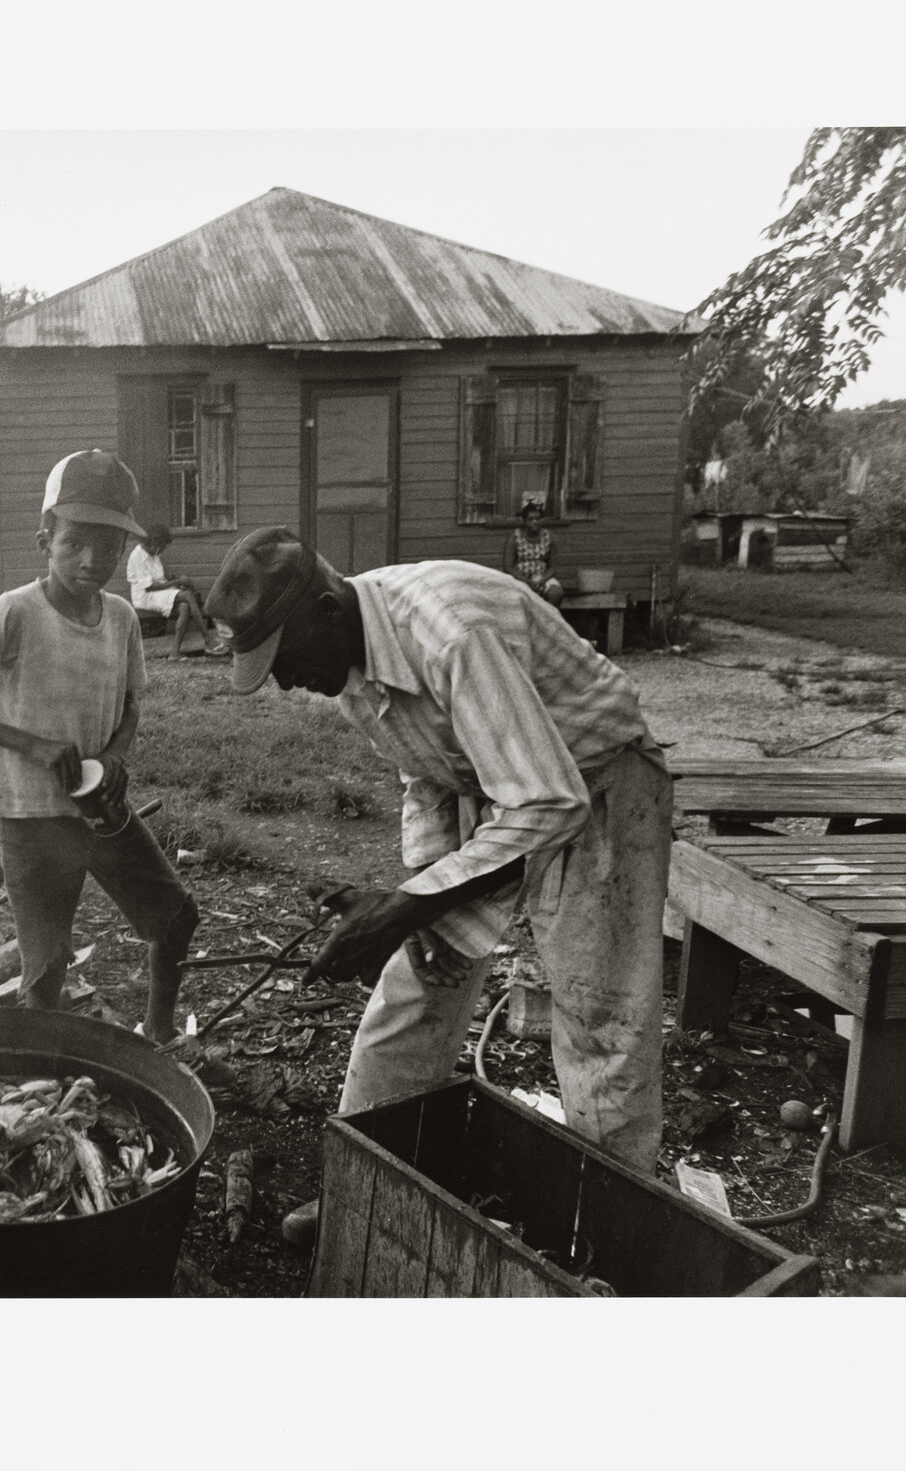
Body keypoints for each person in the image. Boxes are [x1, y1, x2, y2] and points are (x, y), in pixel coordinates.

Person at [203, 528, 673, 1243]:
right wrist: (415, 897)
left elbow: (551, 799)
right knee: (414, 990)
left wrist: (404, 906)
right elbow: (423, 771)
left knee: (601, 1023)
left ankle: (613, 1238)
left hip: (598, 785)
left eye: (284, 657)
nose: (284, 680)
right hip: (491, 792)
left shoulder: (449, 634)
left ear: (329, 610)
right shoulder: (350, 664)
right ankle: (362, 1193)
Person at [0, 451, 200, 1041]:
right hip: (32, 816)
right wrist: (33, 745)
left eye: (108, 546)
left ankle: (160, 1034)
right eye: (74, 543)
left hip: (101, 808)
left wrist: (116, 755)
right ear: (44, 538)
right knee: (46, 969)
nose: (92, 561)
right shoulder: (12, 614)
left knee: (175, 918)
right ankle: (39, 1082)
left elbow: (129, 708)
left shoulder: (121, 618)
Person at [127, 523, 227, 659]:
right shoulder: (137, 556)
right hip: (144, 596)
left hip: (157, 594)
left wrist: (176, 582)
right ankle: (208, 639)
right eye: (161, 546)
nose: (162, 550)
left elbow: (160, 579)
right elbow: (149, 587)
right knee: (187, 596)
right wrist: (177, 583)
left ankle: (174, 653)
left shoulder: (154, 555)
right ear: (154, 542)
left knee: (184, 606)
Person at [500, 494, 564, 605]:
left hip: (542, 578)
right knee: (516, 597)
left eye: (537, 519)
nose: (535, 522)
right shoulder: (514, 537)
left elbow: (553, 566)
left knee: (556, 593)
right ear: (524, 521)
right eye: (531, 519)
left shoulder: (548, 536)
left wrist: (542, 580)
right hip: (521, 579)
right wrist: (528, 582)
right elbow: (508, 567)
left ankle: (547, 619)